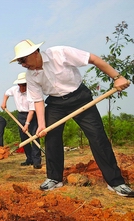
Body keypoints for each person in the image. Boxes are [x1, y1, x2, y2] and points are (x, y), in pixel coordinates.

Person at [10, 39, 134, 197]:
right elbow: (38, 100)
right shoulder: (30, 76)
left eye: (23, 60)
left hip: (80, 97)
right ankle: (54, 178)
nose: (22, 64)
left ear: (35, 53)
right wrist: (41, 125)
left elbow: (93, 59)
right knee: (51, 137)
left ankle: (116, 182)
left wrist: (117, 77)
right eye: (19, 62)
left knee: (98, 137)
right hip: (55, 103)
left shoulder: (59, 53)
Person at [1, 72, 41, 169]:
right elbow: (6, 93)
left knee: (35, 137)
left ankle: (37, 161)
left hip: (32, 115)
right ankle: (29, 159)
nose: (22, 87)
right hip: (20, 116)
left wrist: (27, 124)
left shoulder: (32, 93)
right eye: (21, 85)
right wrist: (4, 103)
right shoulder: (14, 90)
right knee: (24, 139)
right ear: (18, 84)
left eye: (24, 85)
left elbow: (32, 111)